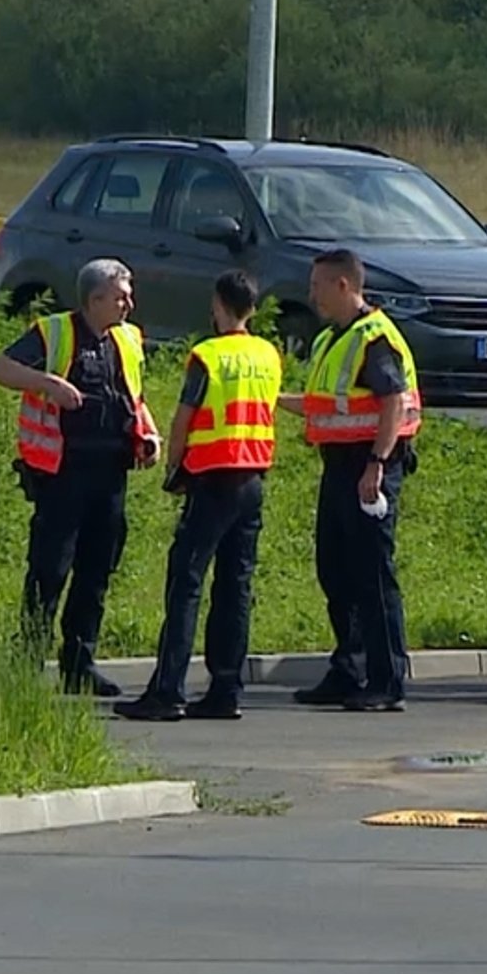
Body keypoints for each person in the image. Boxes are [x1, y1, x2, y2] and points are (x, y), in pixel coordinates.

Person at [0, 258, 162, 697]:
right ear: (95, 298)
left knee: (96, 572)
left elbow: (132, 395)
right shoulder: (54, 332)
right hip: (63, 474)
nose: (129, 303)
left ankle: (79, 664)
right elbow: (0, 369)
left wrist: (150, 433)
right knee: (49, 569)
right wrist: (49, 383)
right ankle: (27, 662)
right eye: (121, 296)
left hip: (110, 476)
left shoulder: (126, 338)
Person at [115, 271, 282, 722]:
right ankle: (226, 690)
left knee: (186, 582)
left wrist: (174, 469)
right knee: (235, 586)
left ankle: (168, 691)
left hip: (212, 479)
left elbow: (184, 418)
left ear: (219, 305)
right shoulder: (267, 353)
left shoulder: (207, 355)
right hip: (253, 480)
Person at [277, 249, 421, 712]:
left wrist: (376, 465)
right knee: (335, 568)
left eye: (318, 285)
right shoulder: (334, 339)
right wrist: (273, 399)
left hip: (368, 466)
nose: (311, 294)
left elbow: (392, 403)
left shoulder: (374, 338)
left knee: (372, 575)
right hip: (338, 466)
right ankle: (350, 667)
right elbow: (328, 405)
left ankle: (387, 678)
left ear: (344, 285)